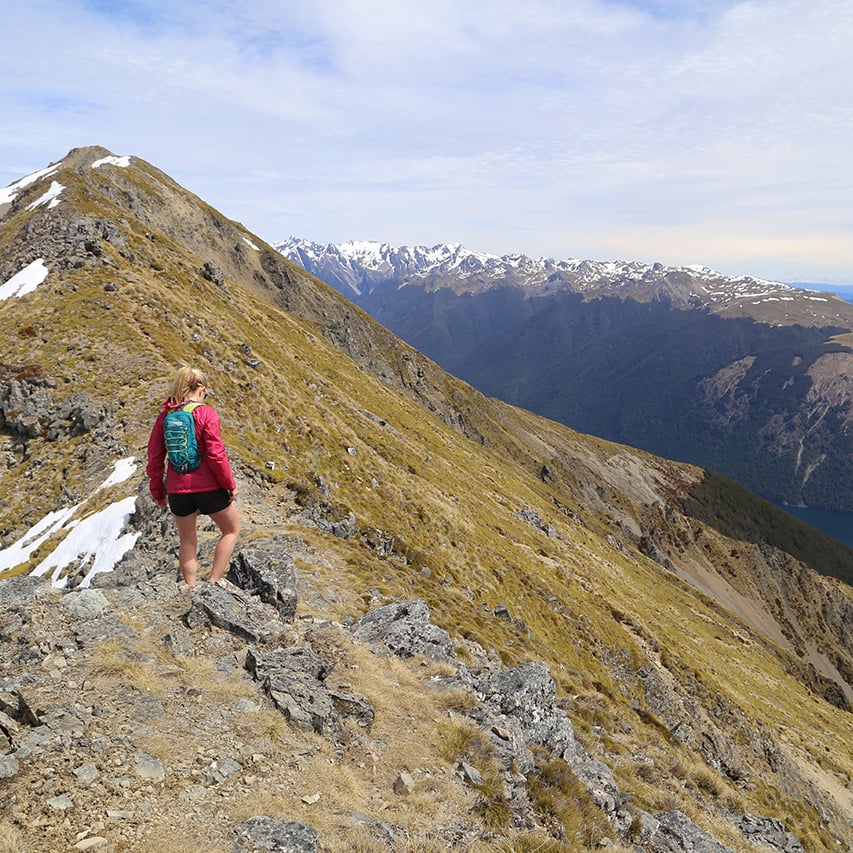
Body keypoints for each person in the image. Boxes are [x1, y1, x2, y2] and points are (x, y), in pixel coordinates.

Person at [146, 365, 240, 590]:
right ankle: (212, 583)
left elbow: (155, 459)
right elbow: (217, 455)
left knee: (187, 540)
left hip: (178, 491)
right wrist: (229, 485)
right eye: (205, 393)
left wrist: (158, 492)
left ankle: (190, 587)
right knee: (231, 530)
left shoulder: (165, 417)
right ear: (200, 388)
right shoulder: (207, 413)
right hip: (209, 488)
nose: (205, 397)